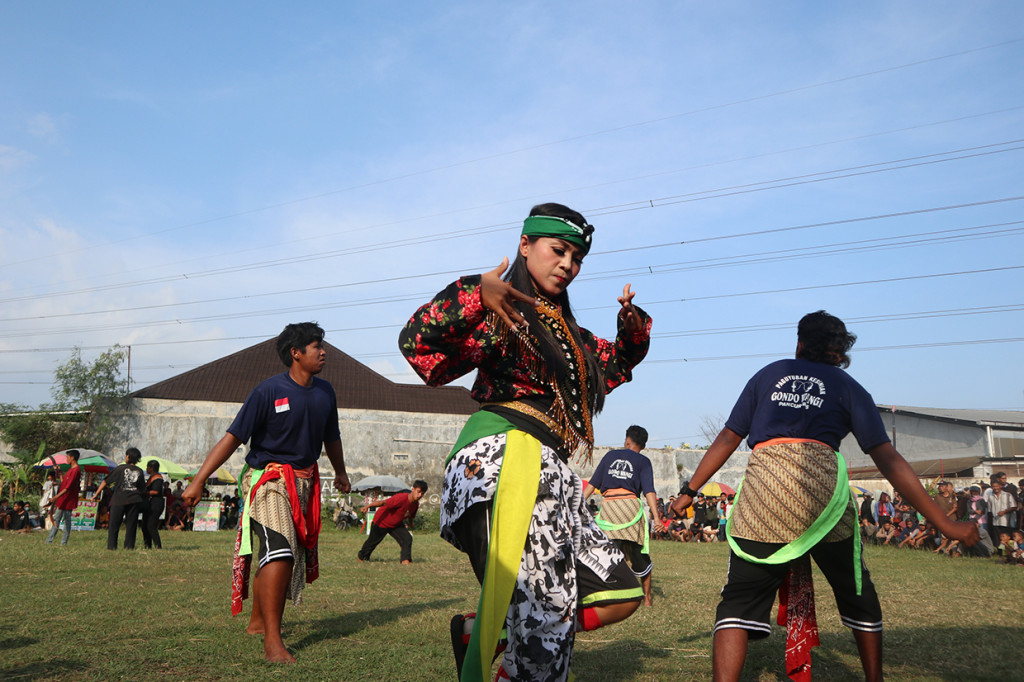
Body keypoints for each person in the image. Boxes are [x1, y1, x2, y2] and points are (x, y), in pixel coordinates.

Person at [399, 202, 652, 681]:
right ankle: (517, 644)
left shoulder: (568, 332)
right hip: (502, 459)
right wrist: (475, 290)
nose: (568, 265)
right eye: (559, 251)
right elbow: (419, 347)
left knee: (620, 590)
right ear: (524, 245)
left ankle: (484, 630)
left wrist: (632, 329)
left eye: (577, 258)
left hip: (551, 472)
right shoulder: (502, 311)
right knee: (546, 625)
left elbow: (615, 365)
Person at [671, 310, 978, 682]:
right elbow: (888, 458)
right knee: (855, 589)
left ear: (799, 343)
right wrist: (943, 522)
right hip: (822, 495)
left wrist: (689, 491)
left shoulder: (768, 375)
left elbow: (727, 438)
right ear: (838, 352)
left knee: (737, 601)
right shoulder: (848, 386)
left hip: (764, 493)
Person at [182, 322, 350, 664]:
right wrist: (200, 479)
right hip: (268, 480)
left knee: (275, 550)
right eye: (316, 346)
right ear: (296, 353)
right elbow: (233, 438)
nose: (323, 351)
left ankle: (258, 622)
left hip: (304, 482)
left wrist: (342, 472)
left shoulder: (325, 392)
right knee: (281, 549)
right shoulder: (268, 391)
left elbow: (331, 437)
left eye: (323, 345)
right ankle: (273, 641)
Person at [584, 425, 666, 607]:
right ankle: (647, 599)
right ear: (642, 446)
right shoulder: (643, 461)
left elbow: (591, 486)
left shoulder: (609, 456)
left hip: (609, 509)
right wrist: (657, 518)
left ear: (627, 441)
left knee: (606, 553)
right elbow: (649, 491)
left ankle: (607, 595)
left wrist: (575, 506)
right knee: (638, 553)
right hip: (630, 509)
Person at [357, 480, 428, 563]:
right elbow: (383, 503)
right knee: (372, 542)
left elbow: (411, 516)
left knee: (407, 539)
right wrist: (368, 506)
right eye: (418, 492)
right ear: (413, 489)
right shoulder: (400, 498)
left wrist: (411, 523)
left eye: (422, 493)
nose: (420, 495)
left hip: (396, 524)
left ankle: (405, 560)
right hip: (382, 521)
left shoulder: (415, 504)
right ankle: (362, 558)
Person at [92, 447, 146, 550]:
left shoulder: (120, 468)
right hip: (134, 500)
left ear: (128, 456)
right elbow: (142, 488)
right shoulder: (139, 471)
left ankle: (112, 546)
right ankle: (129, 547)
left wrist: (96, 494)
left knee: (114, 525)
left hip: (119, 500)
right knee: (131, 525)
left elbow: (105, 481)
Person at [45, 450, 82, 546]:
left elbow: (67, 488)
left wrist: (54, 498)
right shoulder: (71, 469)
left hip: (68, 499)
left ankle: (63, 542)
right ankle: (49, 540)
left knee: (66, 521)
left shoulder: (76, 470)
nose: (67, 459)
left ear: (72, 457)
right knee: (56, 519)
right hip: (63, 499)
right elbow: (64, 483)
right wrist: (61, 475)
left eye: (67, 457)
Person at [141, 460, 165, 549]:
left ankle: (158, 546)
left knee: (151, 526)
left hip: (156, 504)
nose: (146, 469)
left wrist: (144, 493)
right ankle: (148, 546)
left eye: (147, 467)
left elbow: (155, 491)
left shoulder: (158, 478)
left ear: (151, 468)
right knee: (144, 526)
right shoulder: (151, 477)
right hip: (149, 504)